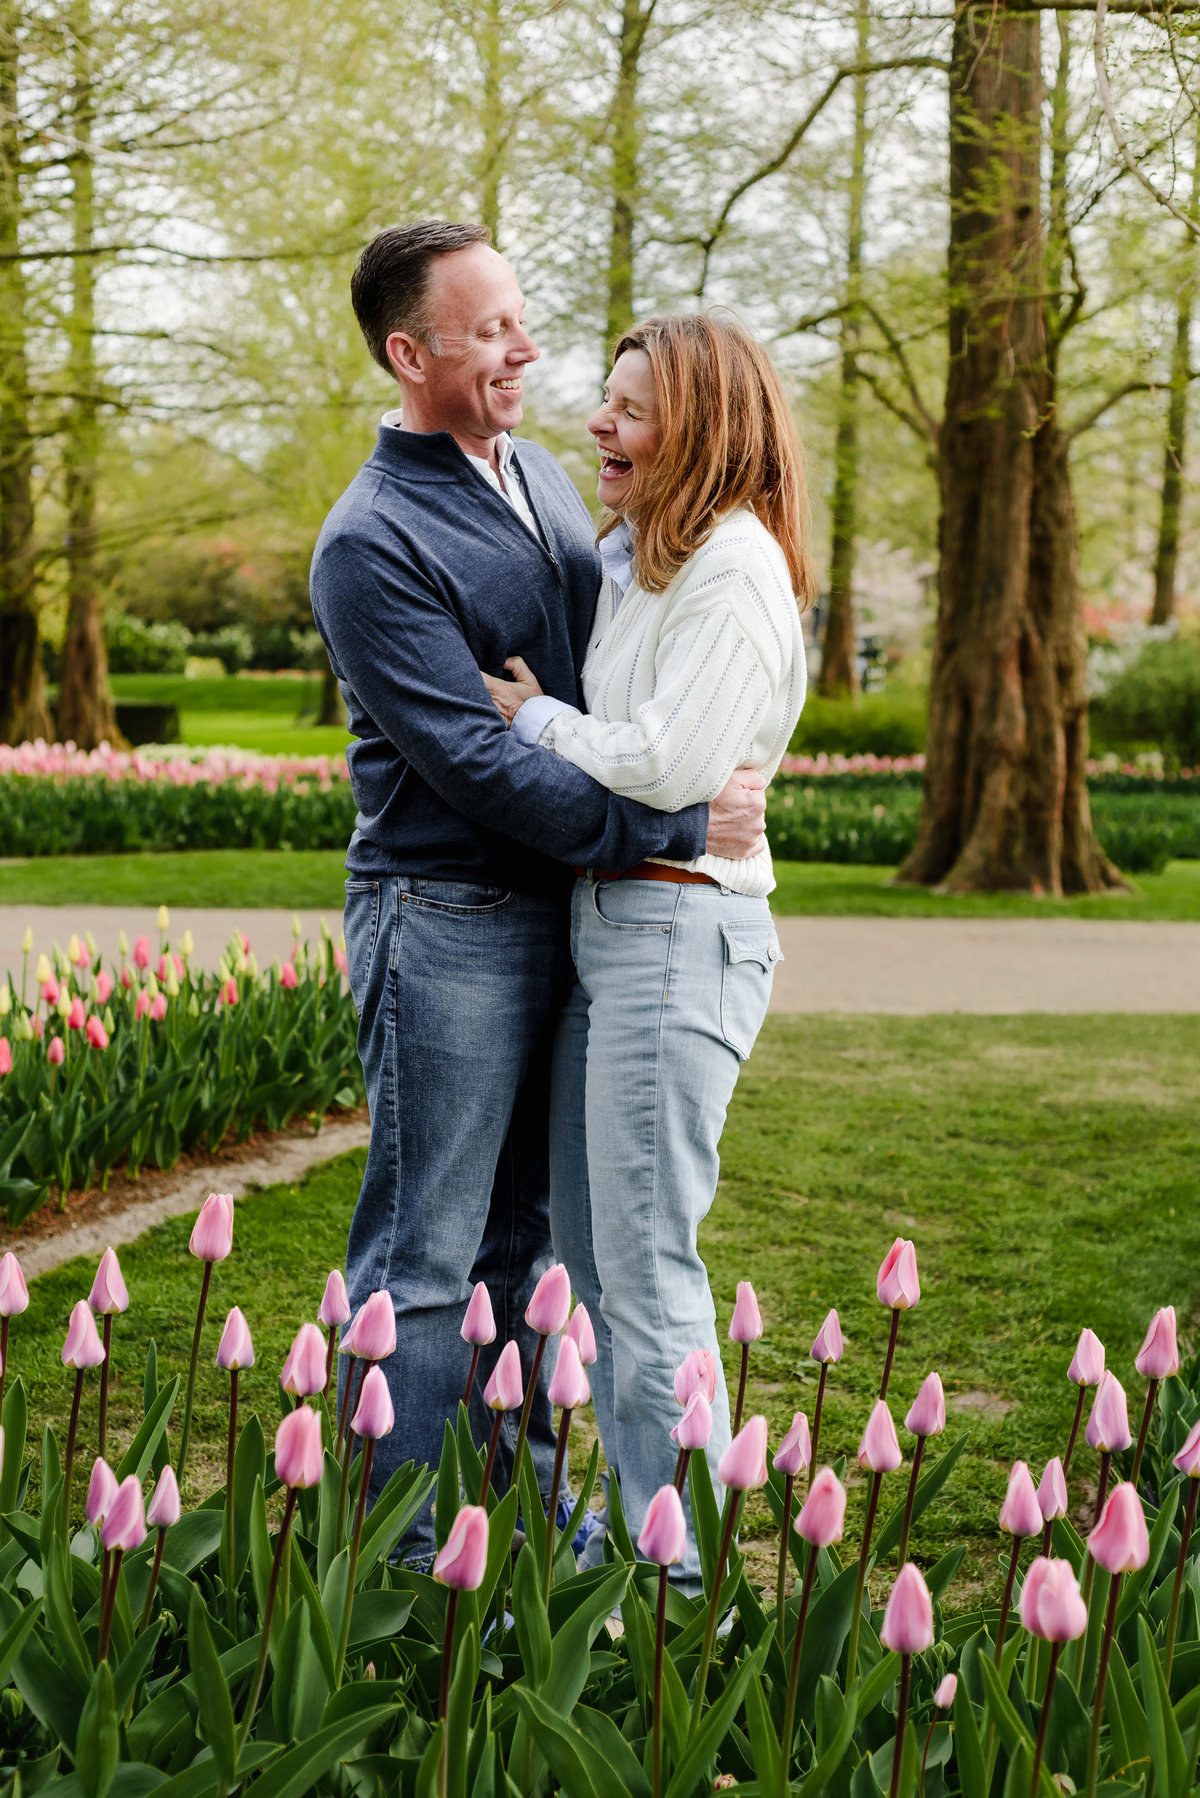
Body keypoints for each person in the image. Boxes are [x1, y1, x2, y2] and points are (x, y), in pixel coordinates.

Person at [308, 222, 768, 1564]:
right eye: (490, 328)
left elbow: (589, 689)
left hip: (563, 909)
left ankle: (506, 1510)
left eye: (520, 314)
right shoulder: (373, 539)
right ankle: (398, 1555)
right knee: (427, 1259)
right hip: (444, 916)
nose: (525, 345)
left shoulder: (546, 476)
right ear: (410, 354)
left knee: (528, 1250)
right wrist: (675, 817)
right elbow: (474, 761)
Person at [481, 311, 815, 1588]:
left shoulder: (734, 570)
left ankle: (685, 1595)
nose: (596, 425)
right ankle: (647, 1560)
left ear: (705, 428)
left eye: (628, 407)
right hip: (621, 924)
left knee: (648, 1272)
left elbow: (674, 766)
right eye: (603, 400)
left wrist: (538, 720)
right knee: (604, 1267)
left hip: (680, 927)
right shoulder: (655, 568)